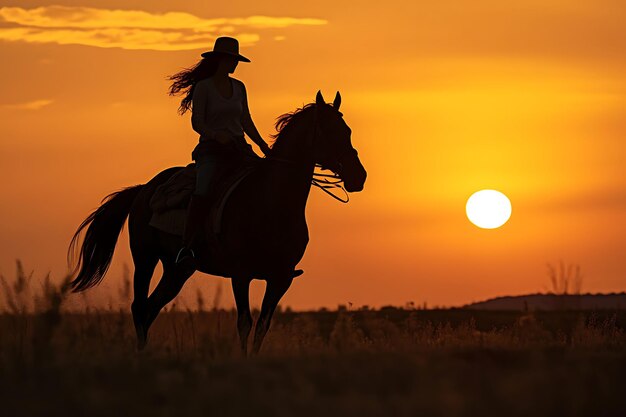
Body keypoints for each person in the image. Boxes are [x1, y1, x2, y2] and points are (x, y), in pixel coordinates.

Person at [167, 36, 272, 266]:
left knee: (262, 183)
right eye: (232, 59)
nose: (235, 64)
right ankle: (187, 246)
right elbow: (197, 122)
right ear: (221, 60)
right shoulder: (204, 88)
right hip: (211, 150)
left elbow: (246, 120)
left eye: (236, 60)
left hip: (238, 148)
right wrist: (216, 135)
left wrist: (263, 145)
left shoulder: (239, 87)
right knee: (203, 190)